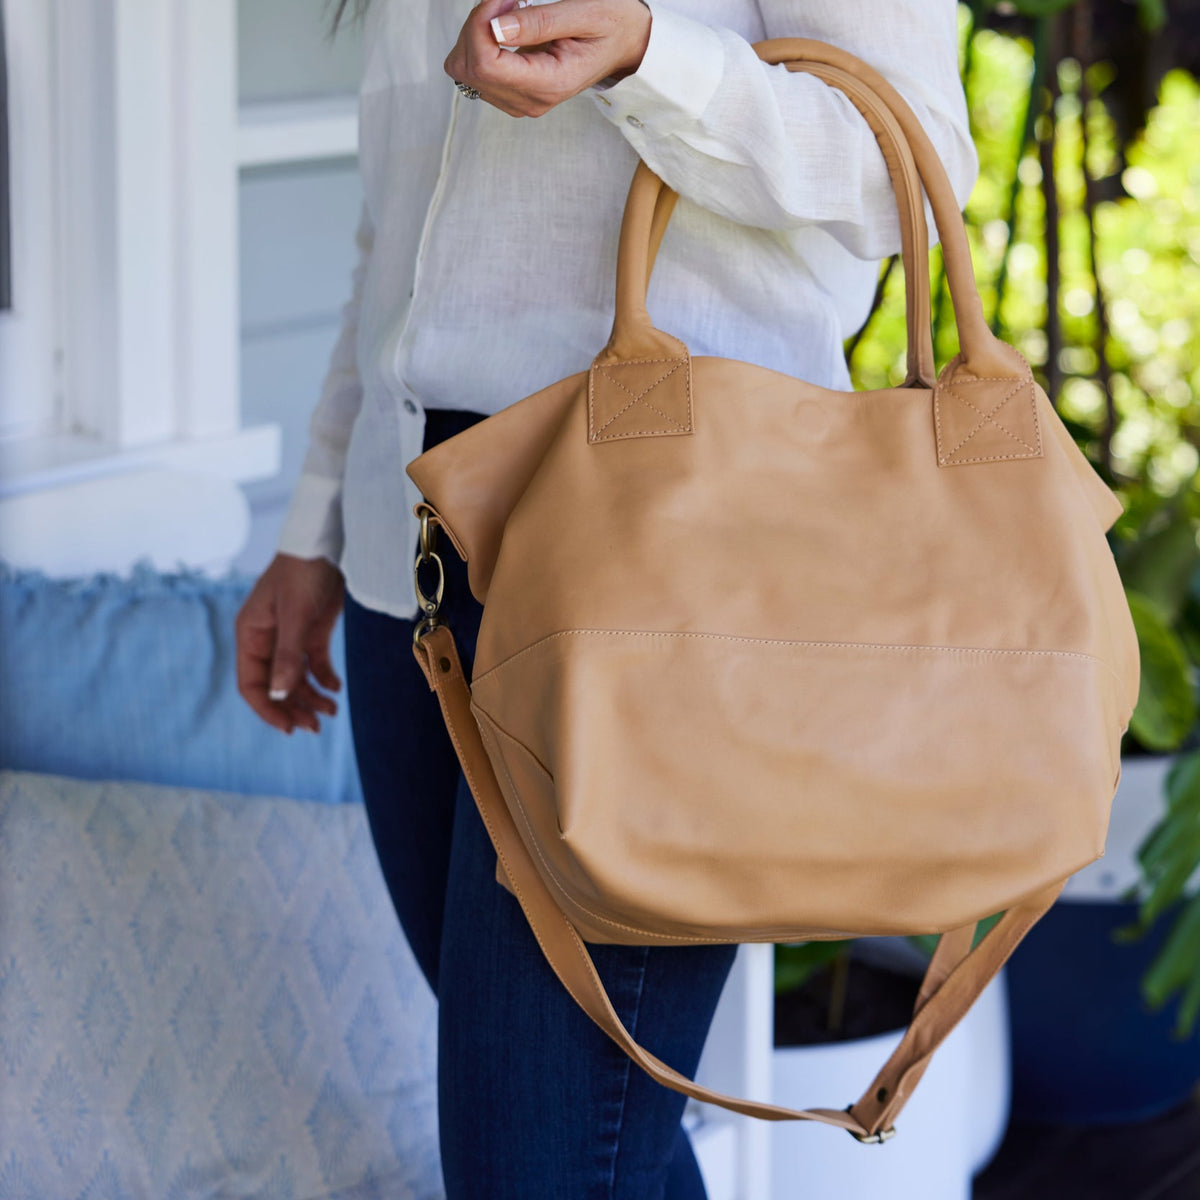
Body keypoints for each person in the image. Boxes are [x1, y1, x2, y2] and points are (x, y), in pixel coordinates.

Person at [235, 1, 978, 1195]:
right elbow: (401, 241)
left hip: (671, 570)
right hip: (416, 553)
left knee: (535, 1157)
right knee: (582, 1143)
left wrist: (647, 54)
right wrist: (314, 523)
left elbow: (910, 168)